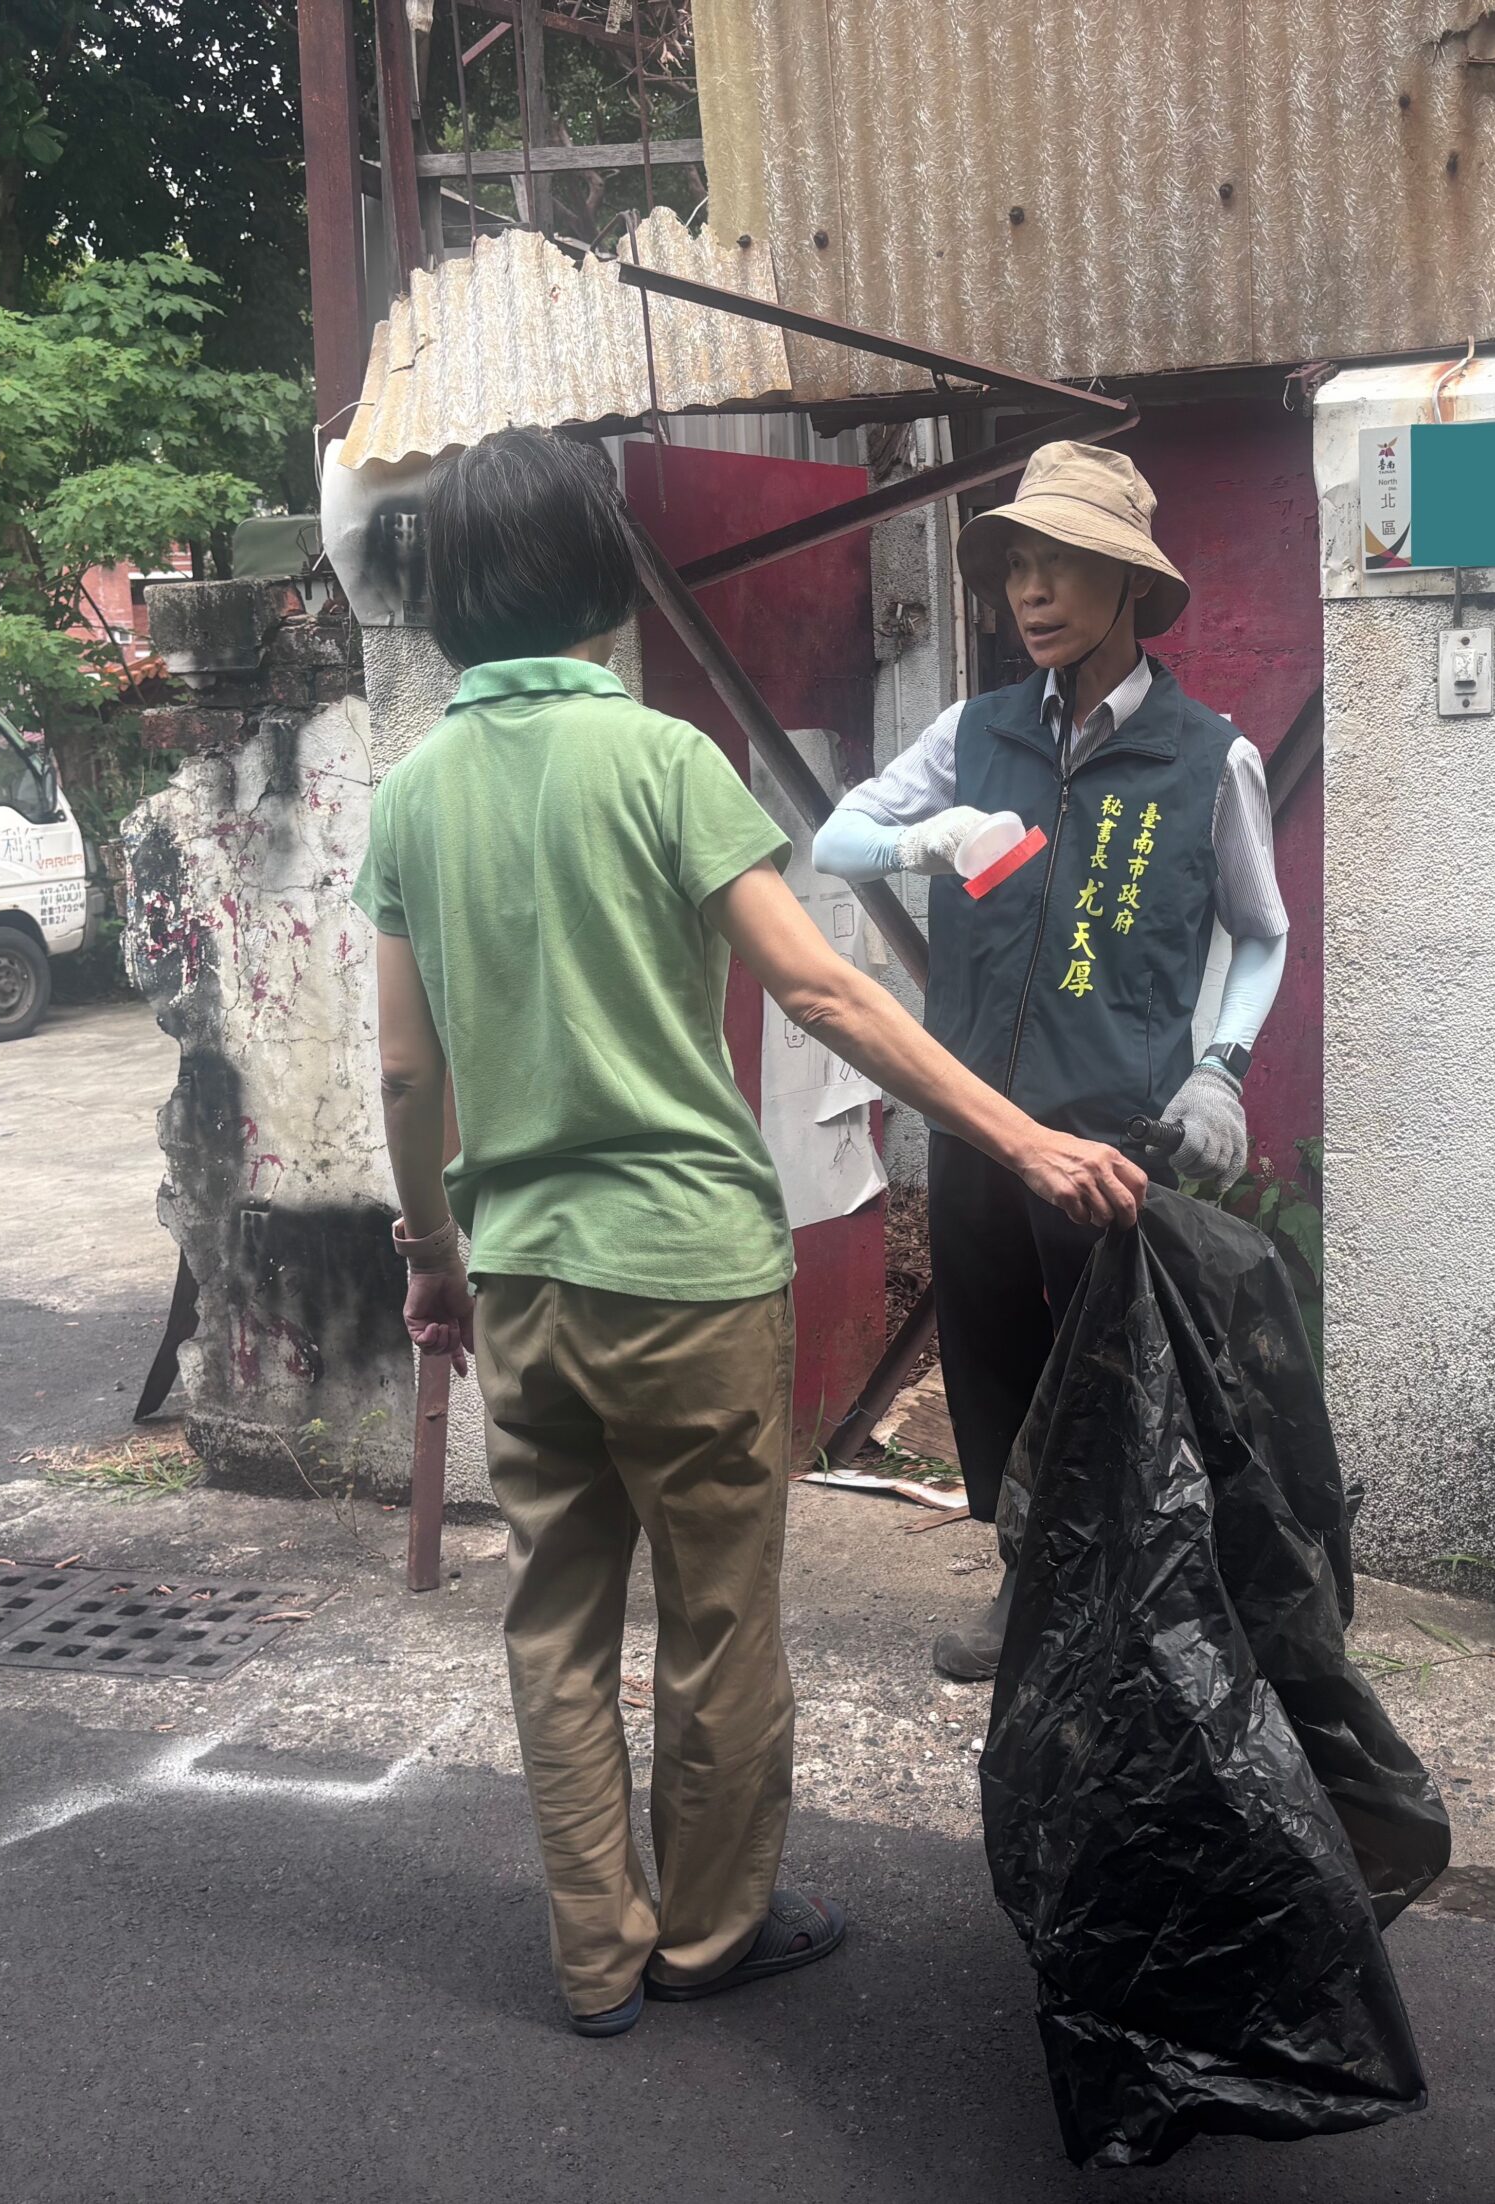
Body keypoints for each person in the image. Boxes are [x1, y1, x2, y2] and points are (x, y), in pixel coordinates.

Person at [353, 427, 1145, 2038]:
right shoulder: (665, 763)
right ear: (599, 575)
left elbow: (406, 1071)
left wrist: (434, 1259)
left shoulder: (412, 798)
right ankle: (710, 1937)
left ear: (448, 597)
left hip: (524, 1276)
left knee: (556, 1620)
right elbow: (823, 990)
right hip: (689, 1278)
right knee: (718, 1624)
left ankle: (595, 1956)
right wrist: (1020, 1135)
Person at [813, 441, 1290, 1681]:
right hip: (974, 1113)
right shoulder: (972, 734)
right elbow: (835, 836)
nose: (1031, 591)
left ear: (1129, 582)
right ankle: (1029, 1582)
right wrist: (925, 841)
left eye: (1063, 564)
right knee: (990, 1357)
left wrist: (1221, 1067)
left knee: (1115, 1372)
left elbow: (1262, 930)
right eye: (1019, 565)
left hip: (1112, 1136)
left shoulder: (1210, 758)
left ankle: (1132, 1599)